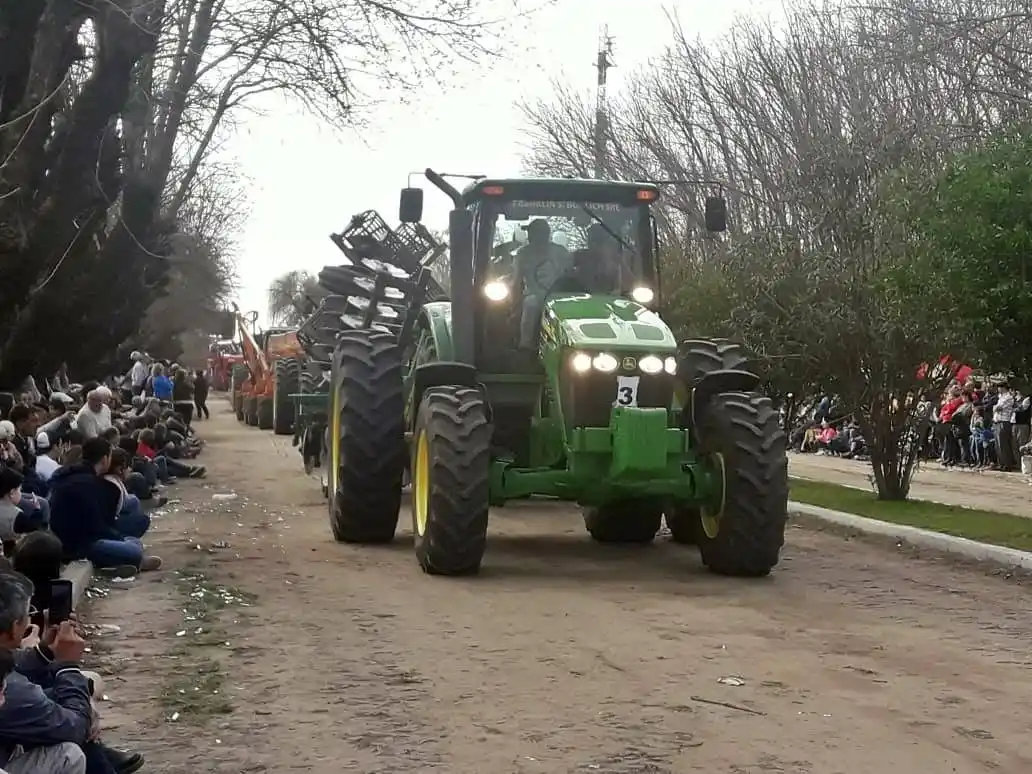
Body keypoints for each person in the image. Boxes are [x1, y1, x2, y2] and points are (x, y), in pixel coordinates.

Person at [0, 571, 144, 774]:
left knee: (77, 693)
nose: (30, 619)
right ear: (15, 627)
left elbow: (10, 664)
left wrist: (45, 651)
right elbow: (74, 728)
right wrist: (68, 665)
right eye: (28, 614)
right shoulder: (13, 691)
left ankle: (102, 760)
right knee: (69, 752)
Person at [47, 438, 161, 575]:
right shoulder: (89, 483)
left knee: (133, 541)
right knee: (134, 550)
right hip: (79, 545)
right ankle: (119, 564)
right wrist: (118, 538)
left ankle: (120, 561)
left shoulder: (70, 474)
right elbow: (96, 526)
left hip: (71, 538)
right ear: (105, 458)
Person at [514, 219, 572, 349]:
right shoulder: (523, 253)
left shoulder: (560, 252)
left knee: (531, 304)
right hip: (537, 295)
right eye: (530, 232)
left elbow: (570, 274)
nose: (529, 236)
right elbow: (516, 279)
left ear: (544, 234)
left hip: (558, 296)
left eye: (532, 232)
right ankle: (525, 345)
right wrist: (513, 300)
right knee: (530, 304)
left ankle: (566, 346)